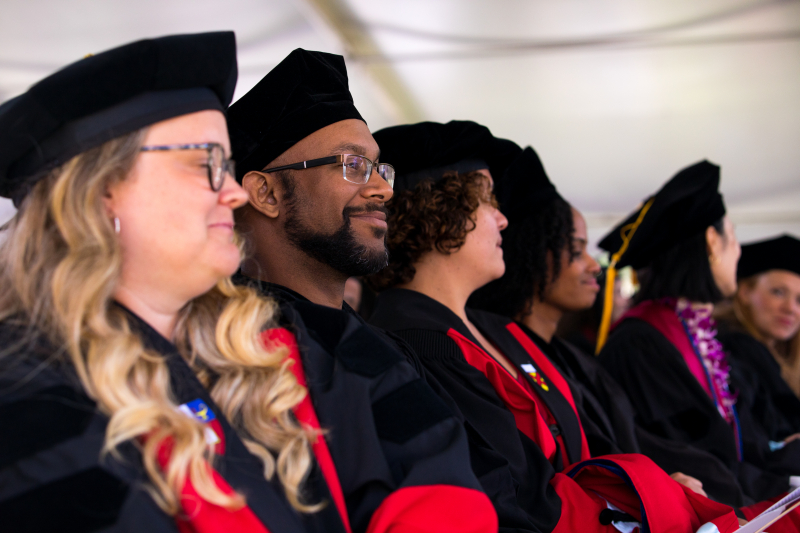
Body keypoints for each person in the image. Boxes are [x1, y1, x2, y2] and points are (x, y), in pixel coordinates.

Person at [0, 33, 344, 533]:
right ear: (101, 192)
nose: (234, 193)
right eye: (206, 163)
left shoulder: (238, 370)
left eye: (226, 166)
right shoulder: (27, 398)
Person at [367, 123, 740, 533]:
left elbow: (596, 444)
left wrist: (654, 487)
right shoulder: (414, 345)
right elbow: (517, 494)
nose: (504, 219)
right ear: (439, 214)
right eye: (487, 200)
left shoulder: (499, 331)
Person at [227, 49, 496, 533]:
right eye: (352, 164)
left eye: (379, 167)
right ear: (265, 193)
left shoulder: (376, 344)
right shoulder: (240, 354)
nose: (382, 189)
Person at [597, 161, 800, 528]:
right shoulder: (640, 343)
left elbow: (741, 441)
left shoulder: (695, 333)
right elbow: (689, 454)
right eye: (733, 237)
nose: (738, 254)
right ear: (711, 241)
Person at [716, 235, 800, 455]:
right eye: (778, 292)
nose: (791, 308)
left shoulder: (780, 355)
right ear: (745, 292)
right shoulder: (735, 346)